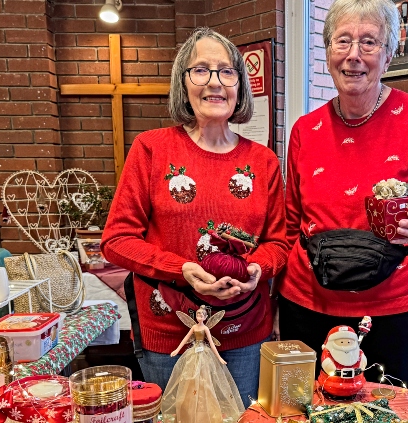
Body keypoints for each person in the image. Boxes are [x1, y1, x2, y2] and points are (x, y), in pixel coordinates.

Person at [275, 0, 408, 394]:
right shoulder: (304, 130)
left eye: (369, 42)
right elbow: (291, 226)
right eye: (342, 41)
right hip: (307, 309)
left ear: (390, 54)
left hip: (400, 313)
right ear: (327, 54)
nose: (354, 56)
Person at [101, 27, 288, 406]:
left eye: (226, 71)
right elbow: (116, 240)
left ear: (240, 84)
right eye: (201, 70)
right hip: (169, 334)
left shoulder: (263, 161)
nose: (214, 82)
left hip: (244, 332)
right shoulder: (151, 149)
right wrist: (180, 268)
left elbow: (279, 243)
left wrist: (256, 270)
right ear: (182, 82)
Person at [162, 306, 243, 423]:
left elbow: (212, 344)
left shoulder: (205, 329)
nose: (199, 317)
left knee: (206, 381)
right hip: (193, 353)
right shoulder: (194, 327)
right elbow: (186, 338)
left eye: (202, 315)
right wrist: (177, 350)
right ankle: (190, 413)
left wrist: (219, 358)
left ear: (205, 317)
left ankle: (205, 414)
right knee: (190, 380)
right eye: (198, 315)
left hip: (204, 354)